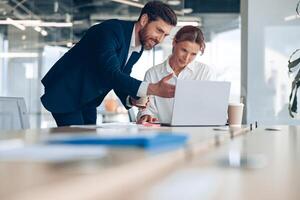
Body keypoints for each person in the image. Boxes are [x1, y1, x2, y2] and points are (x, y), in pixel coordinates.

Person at [40, 1, 177, 126]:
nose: (160, 39)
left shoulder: (138, 47)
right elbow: (110, 73)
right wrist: (153, 88)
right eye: (159, 30)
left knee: (89, 141)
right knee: (78, 143)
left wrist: (130, 99)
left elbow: (120, 76)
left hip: (87, 99)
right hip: (67, 92)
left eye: (165, 35)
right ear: (144, 20)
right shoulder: (111, 31)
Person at [137, 25, 215, 124]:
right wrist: (145, 115)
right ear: (174, 42)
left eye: (193, 54)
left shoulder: (205, 72)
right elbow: (146, 108)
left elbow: (210, 107)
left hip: (196, 132)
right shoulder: (152, 74)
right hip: (162, 134)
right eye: (184, 50)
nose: (186, 58)